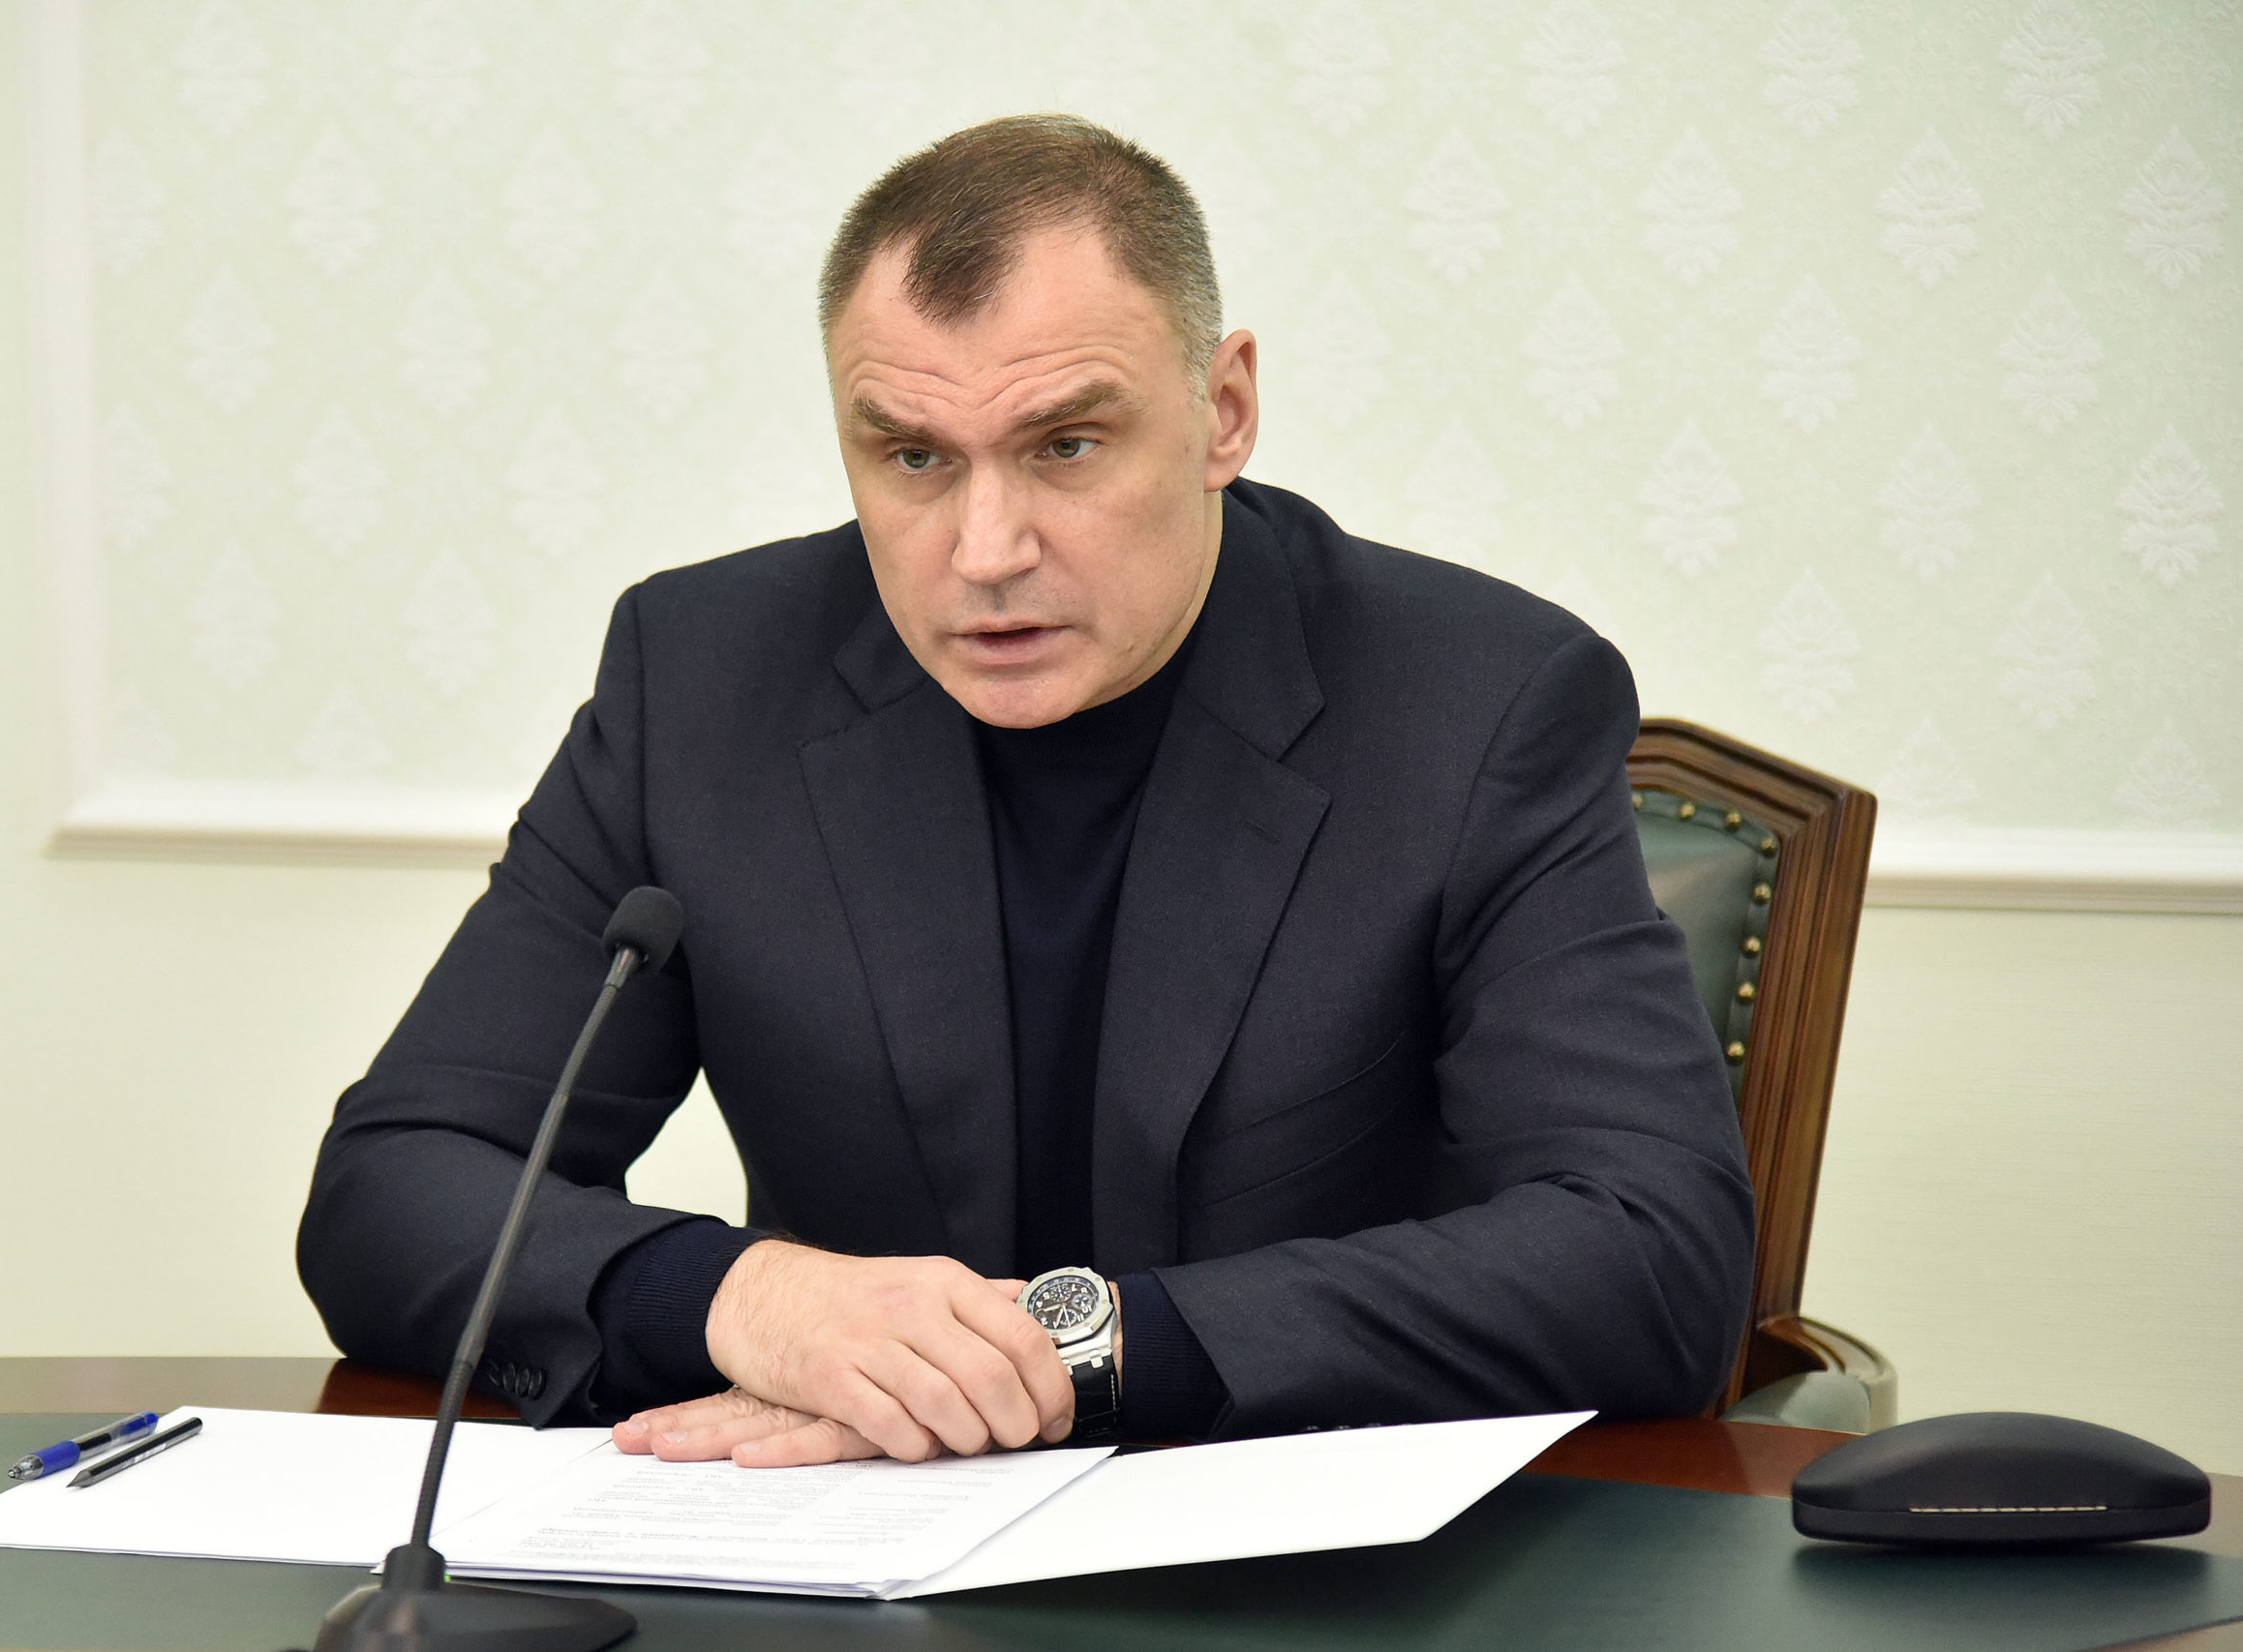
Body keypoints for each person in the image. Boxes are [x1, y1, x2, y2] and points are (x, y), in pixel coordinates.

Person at [297, 114, 1754, 1469]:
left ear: (1224, 410)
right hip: (842, 1564)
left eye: (1065, 445)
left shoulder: (1477, 702)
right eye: (913, 457)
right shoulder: (701, 684)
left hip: (1309, 1553)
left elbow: (1654, 1251)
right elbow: (392, 1185)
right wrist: (747, 1300)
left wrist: (1079, 1356)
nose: (986, 549)